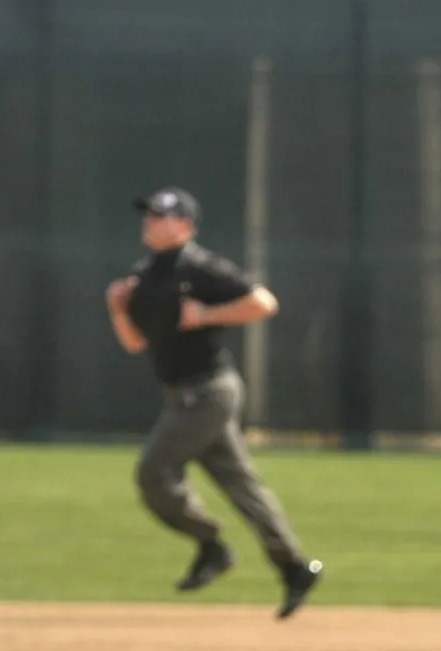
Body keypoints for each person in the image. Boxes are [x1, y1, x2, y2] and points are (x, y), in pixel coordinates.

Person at [104, 186, 322, 620]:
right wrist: (118, 310)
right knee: (242, 486)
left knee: (154, 473)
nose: (150, 221)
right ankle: (295, 567)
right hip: (182, 393)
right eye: (148, 214)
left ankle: (211, 545)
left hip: (207, 392)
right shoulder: (145, 275)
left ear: (185, 225)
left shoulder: (199, 266)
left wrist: (206, 315)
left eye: (160, 215)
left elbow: (263, 303)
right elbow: (135, 344)